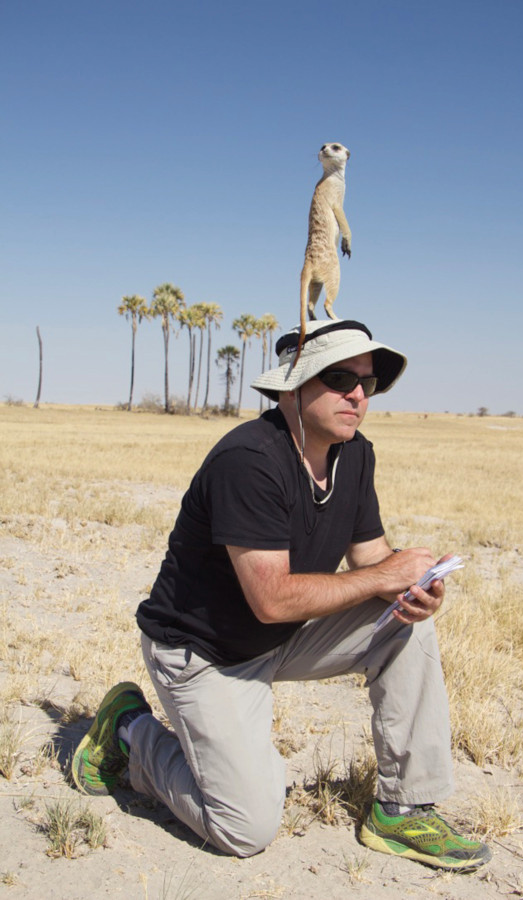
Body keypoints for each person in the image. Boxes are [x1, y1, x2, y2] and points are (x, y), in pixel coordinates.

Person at [72, 319, 491, 871]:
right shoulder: (247, 460)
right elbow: (271, 599)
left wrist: (414, 591)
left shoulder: (355, 454)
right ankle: (129, 731)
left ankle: (404, 809)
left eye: (368, 382)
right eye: (340, 378)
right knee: (245, 826)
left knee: (402, 621)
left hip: (278, 641)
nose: (358, 394)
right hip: (203, 655)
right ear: (292, 388)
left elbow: (371, 561)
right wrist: (382, 577)